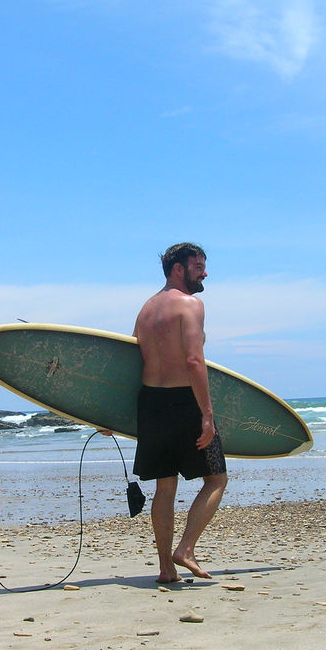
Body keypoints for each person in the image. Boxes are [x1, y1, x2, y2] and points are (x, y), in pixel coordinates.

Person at [132, 242, 227, 583]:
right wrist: (207, 414)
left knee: (165, 487)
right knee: (216, 478)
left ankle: (165, 569)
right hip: (185, 402)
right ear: (178, 269)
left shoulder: (146, 309)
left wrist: (110, 416)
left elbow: (129, 361)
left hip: (151, 404)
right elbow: (193, 360)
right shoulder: (191, 304)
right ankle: (185, 549)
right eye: (198, 266)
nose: (204, 272)